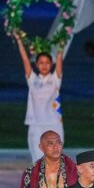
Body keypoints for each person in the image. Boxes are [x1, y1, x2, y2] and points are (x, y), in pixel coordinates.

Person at [14, 33, 64, 162]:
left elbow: (59, 57)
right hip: (35, 124)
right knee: (37, 161)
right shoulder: (32, 79)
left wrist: (61, 44)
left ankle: (54, 182)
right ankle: (39, 182)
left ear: (51, 64)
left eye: (47, 62)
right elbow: (25, 59)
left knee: (55, 160)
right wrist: (19, 40)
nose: (44, 65)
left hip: (54, 124)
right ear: (36, 64)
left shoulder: (55, 79)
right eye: (41, 62)